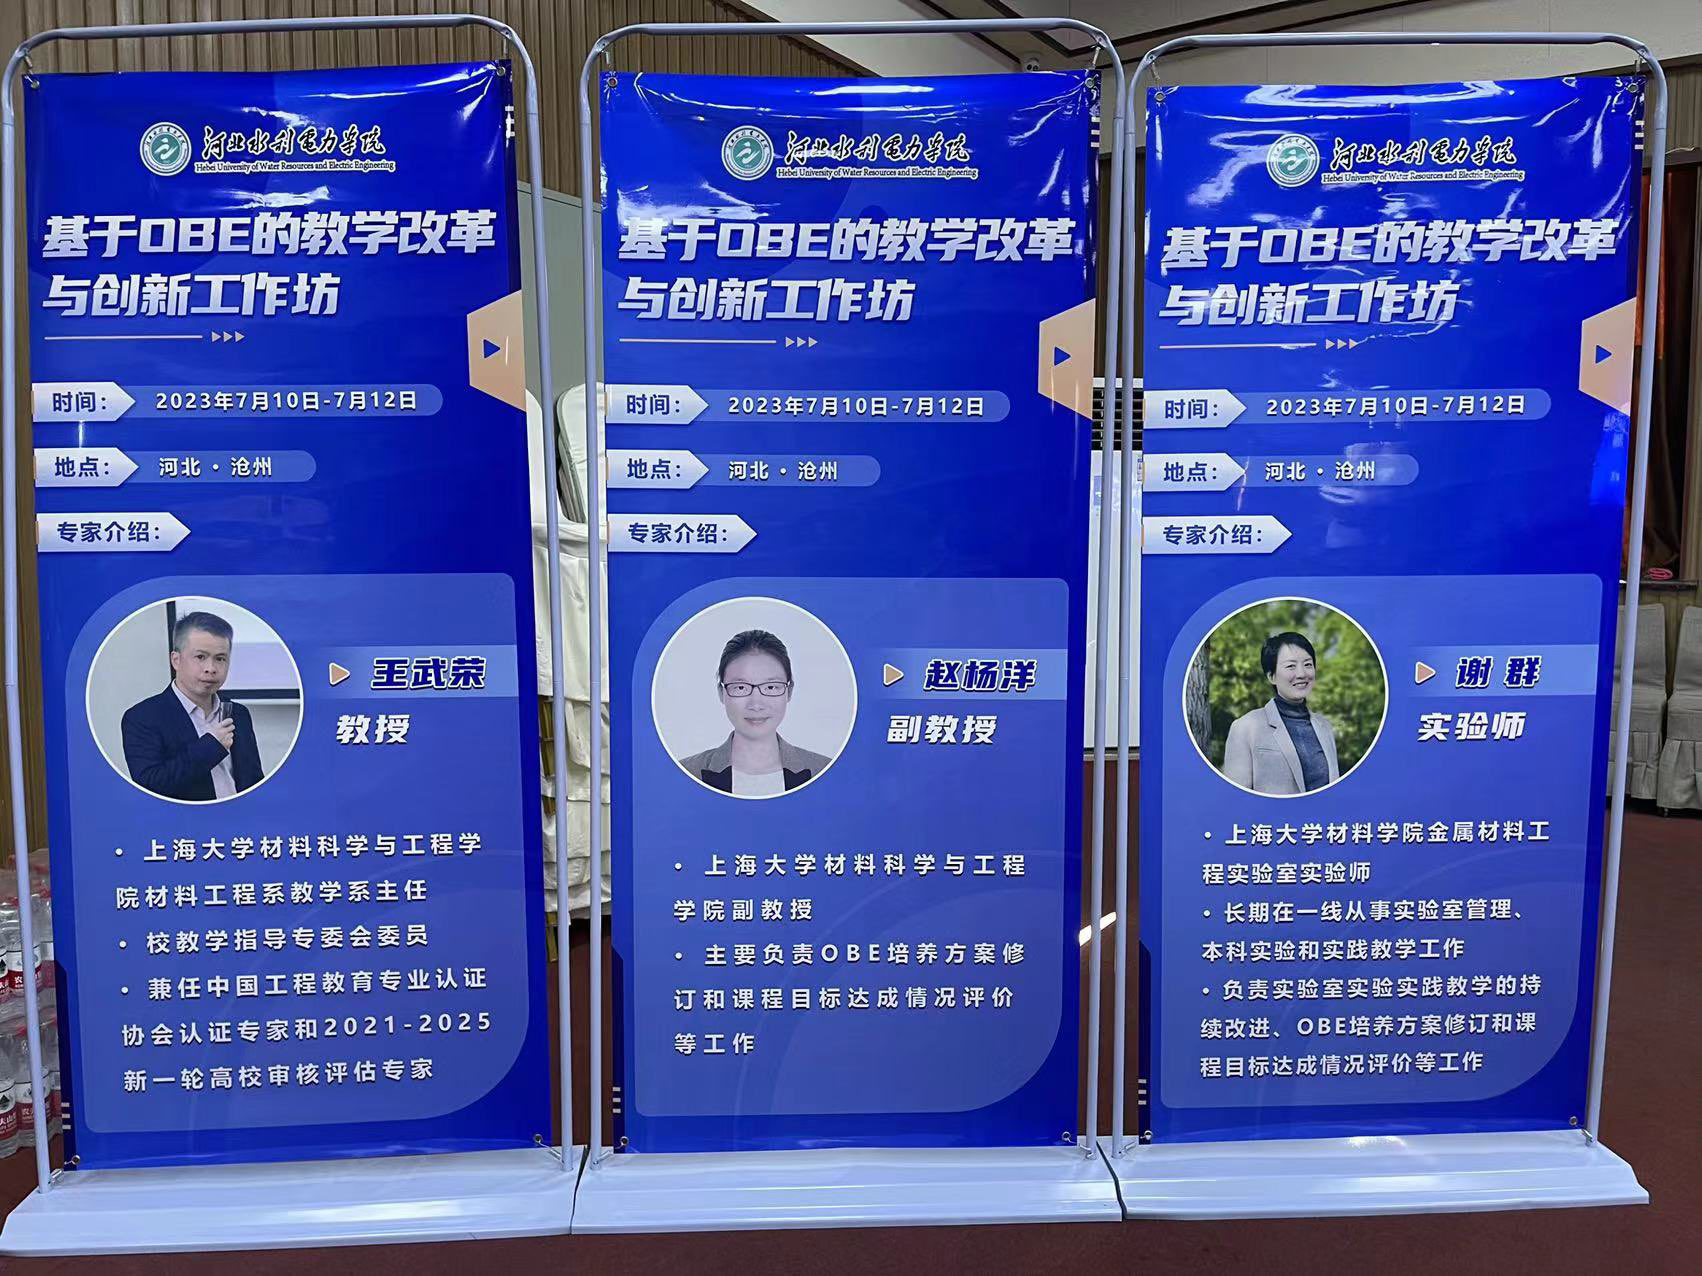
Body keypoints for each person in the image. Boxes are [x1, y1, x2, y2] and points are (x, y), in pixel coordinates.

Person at [121, 610, 264, 802]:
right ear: (176, 660)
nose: (211, 668)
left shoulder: (238, 713)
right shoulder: (142, 717)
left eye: (220, 658)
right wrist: (211, 746)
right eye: (200, 657)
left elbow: (254, 781)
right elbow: (150, 786)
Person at [677, 629, 832, 796]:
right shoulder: (685, 773)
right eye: (740, 687)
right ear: (721, 693)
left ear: (789, 691)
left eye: (771, 687)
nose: (756, 704)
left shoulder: (825, 771)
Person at [1221, 630, 1340, 795]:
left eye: (1307, 664)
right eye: (1291, 666)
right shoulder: (1245, 727)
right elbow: (1235, 798)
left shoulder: (1324, 726)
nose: (1302, 674)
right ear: (1272, 676)